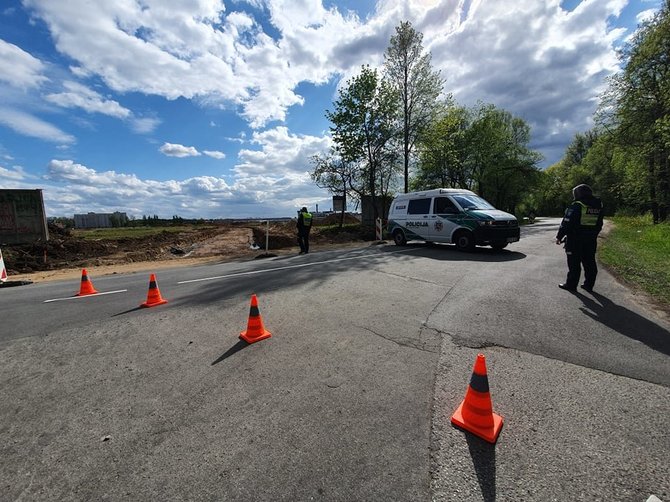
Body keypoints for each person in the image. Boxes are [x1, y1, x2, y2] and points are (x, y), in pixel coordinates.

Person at [555, 184, 604, 292]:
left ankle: (571, 285)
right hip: (590, 240)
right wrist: (593, 234)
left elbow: (566, 223)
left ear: (577, 194)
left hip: (575, 240)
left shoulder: (577, 205)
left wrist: (559, 236)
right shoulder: (598, 206)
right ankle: (588, 285)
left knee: (574, 263)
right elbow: (600, 224)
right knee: (589, 262)